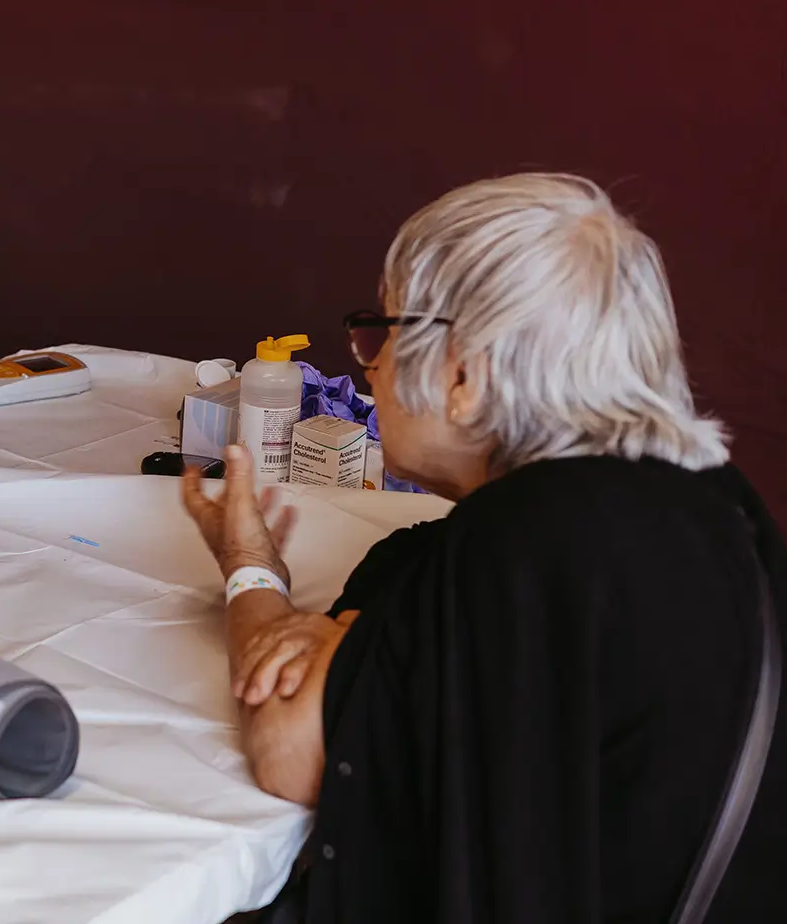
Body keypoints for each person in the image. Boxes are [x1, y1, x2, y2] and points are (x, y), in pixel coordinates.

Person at [182, 173, 786, 922]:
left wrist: (249, 566)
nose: (370, 363)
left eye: (383, 331)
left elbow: (286, 746)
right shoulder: (716, 496)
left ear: (464, 374)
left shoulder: (524, 545)